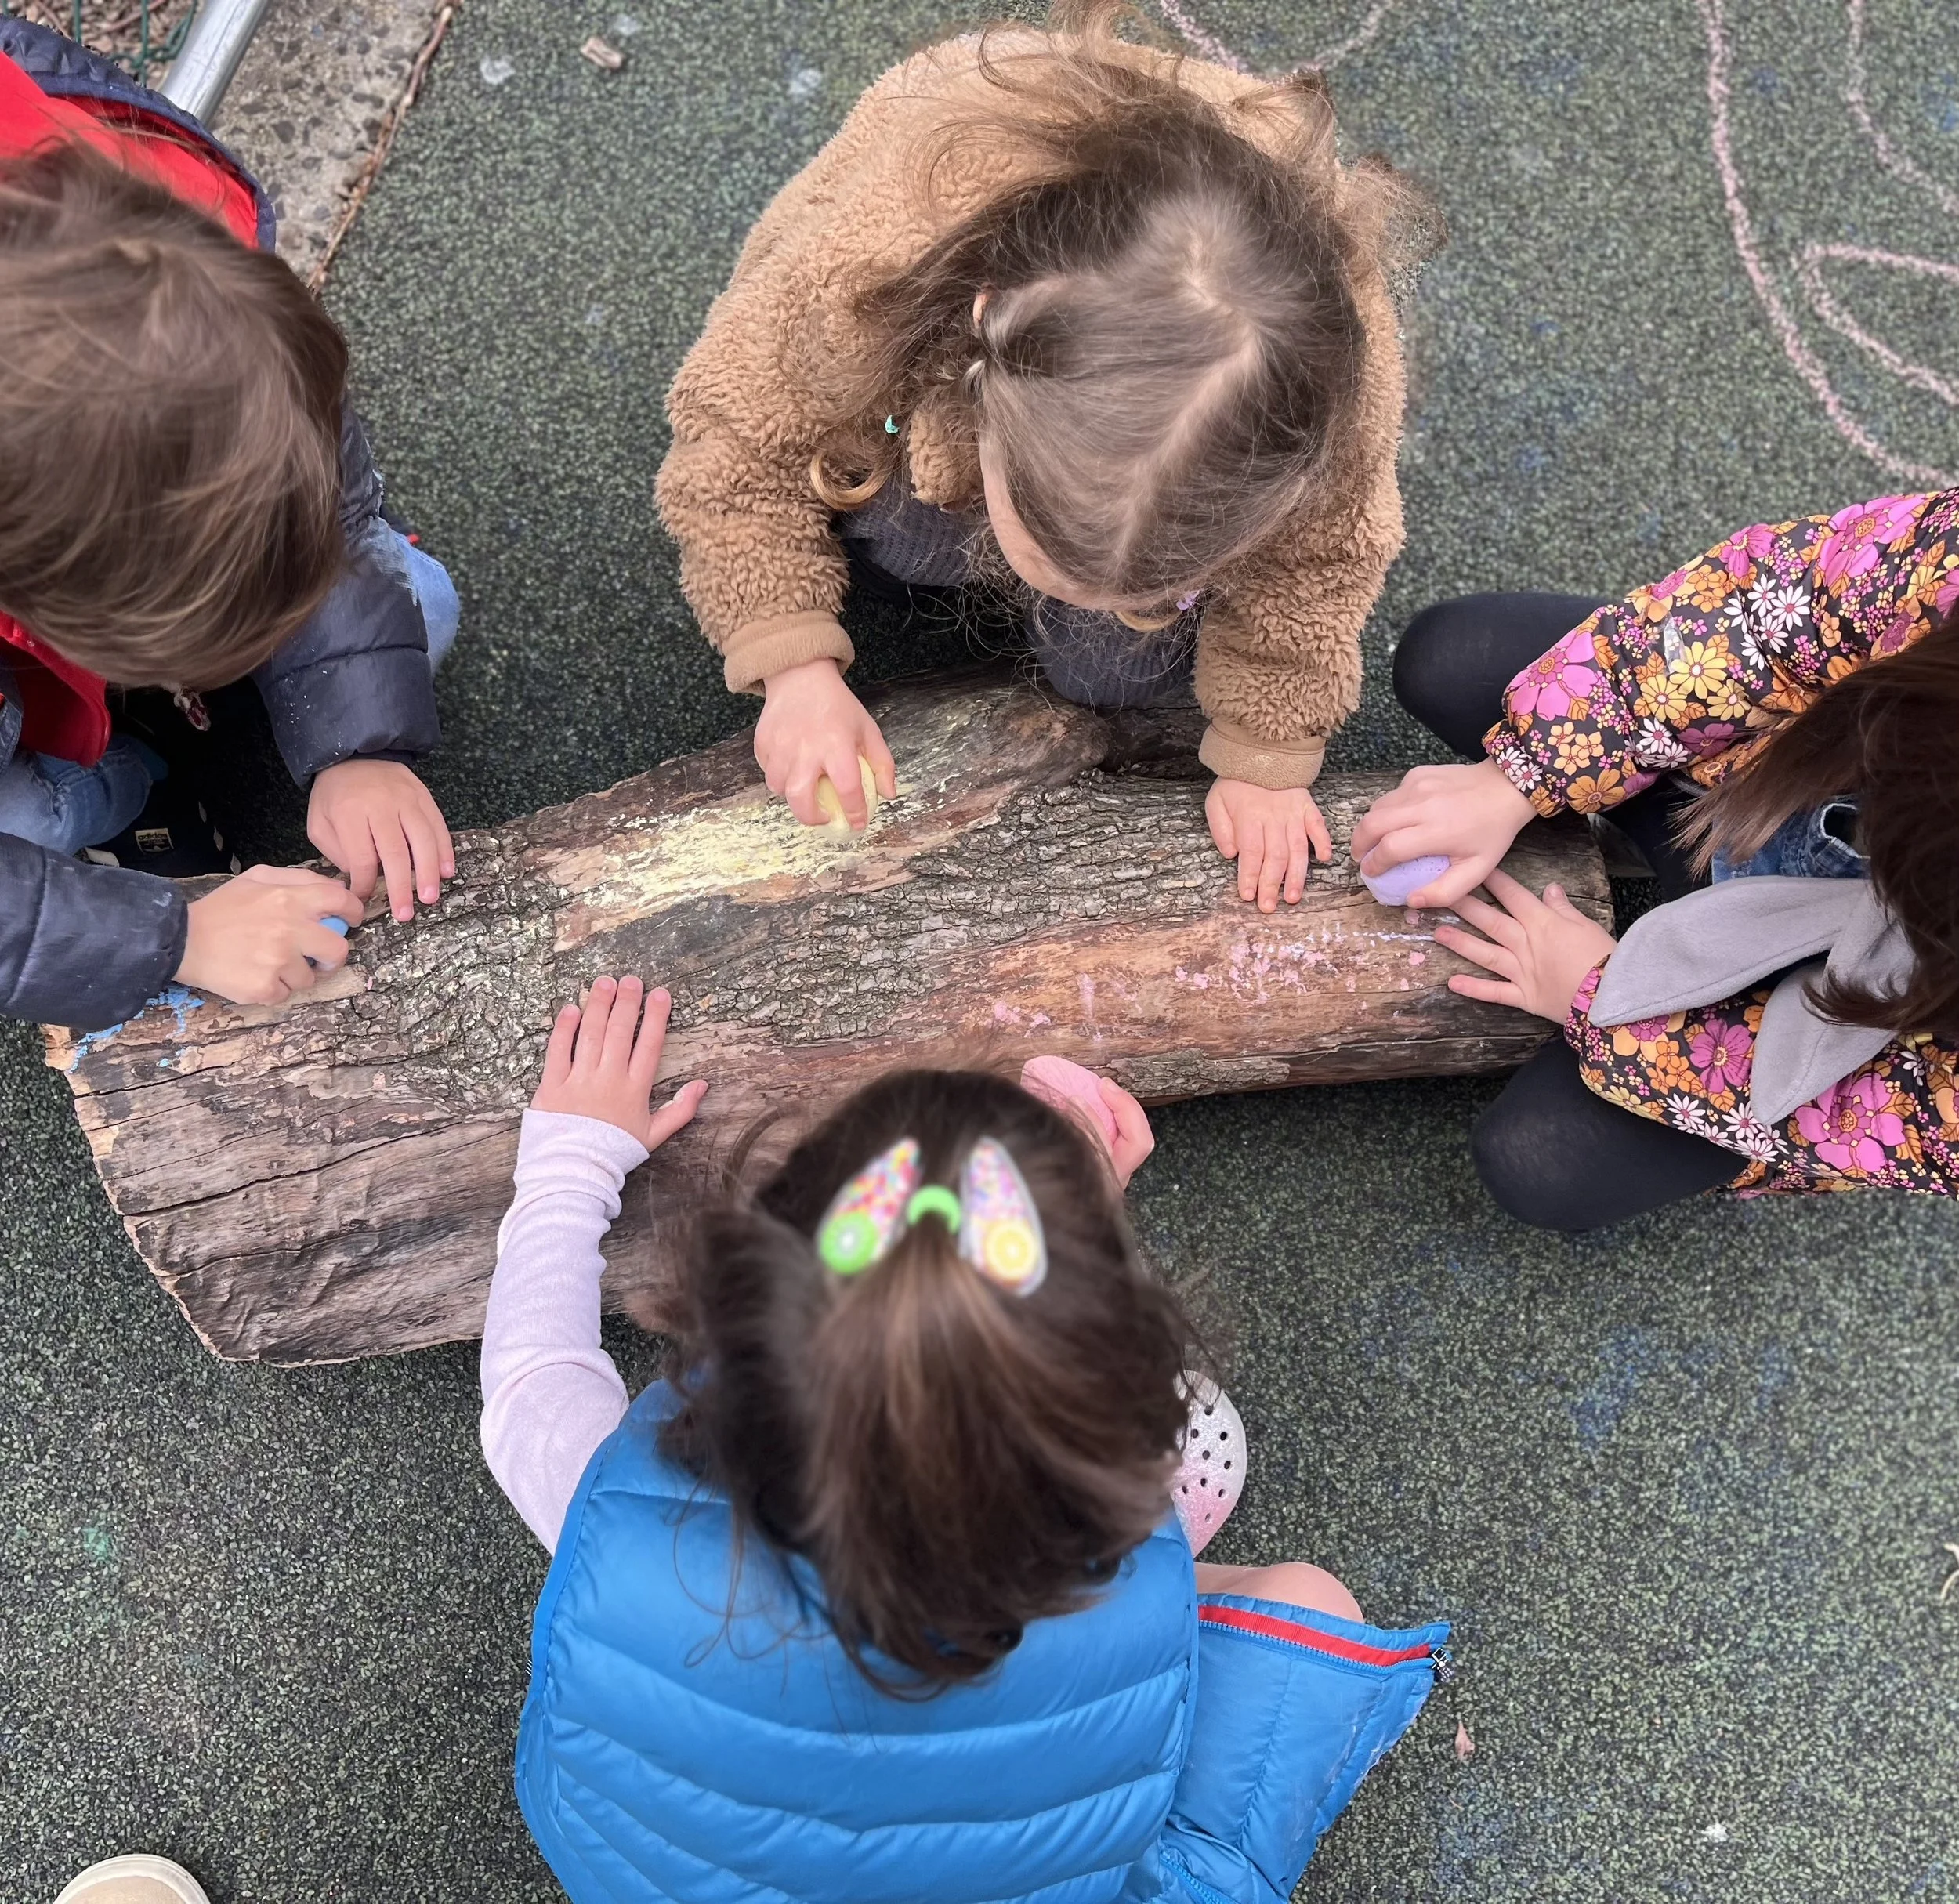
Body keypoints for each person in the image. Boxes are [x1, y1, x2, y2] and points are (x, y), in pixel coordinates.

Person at [481, 975, 1450, 1902]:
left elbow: (530, 1377)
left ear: (739, 1301)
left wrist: (572, 1157)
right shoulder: (1135, 1581)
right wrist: (1076, 1229)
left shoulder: (605, 1506)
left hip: (658, 1879)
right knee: (1292, 1575)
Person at [656, 0, 1437, 914]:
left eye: (1158, 581)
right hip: (907, 378)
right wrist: (791, 664)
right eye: (1050, 552)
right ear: (988, 328)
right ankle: (941, 515)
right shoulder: (862, 264)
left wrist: (1267, 756)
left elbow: (1323, 565)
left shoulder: (1327, 386)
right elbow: (732, 448)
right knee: (903, 540)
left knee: (1111, 677)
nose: (1083, 596)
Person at [0, 20, 459, 1030]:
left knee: (416, 609)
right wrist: (175, 936)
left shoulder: (180, 246)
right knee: (28, 820)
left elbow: (324, 485)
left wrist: (357, 742)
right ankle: (130, 777)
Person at [1352, 488, 1959, 1225]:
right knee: (1451, 659)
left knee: (1541, 1160)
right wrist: (1522, 772)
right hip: (1752, 786)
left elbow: (1865, 1112)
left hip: (1821, 1024)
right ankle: (1648, 807)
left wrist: (1599, 1000)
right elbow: (1760, 611)